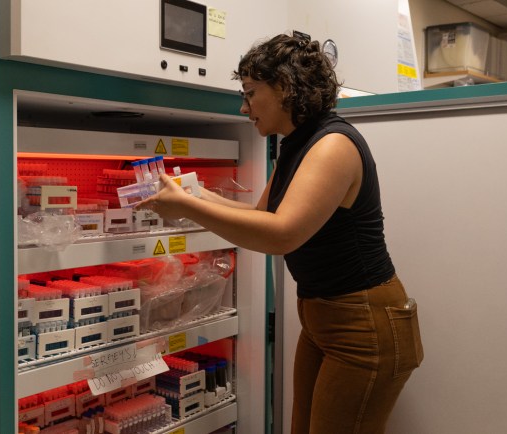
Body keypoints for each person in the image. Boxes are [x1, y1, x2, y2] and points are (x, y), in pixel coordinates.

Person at [137, 33, 424, 434]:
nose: (244, 107)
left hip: (363, 324)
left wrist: (187, 208)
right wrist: (195, 194)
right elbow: (262, 216)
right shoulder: (297, 143)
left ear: (285, 87)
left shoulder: (333, 145)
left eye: (251, 93)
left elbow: (281, 235)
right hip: (324, 318)